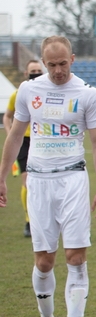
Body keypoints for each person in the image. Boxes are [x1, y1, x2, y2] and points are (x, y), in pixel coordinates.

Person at [0, 36, 96, 317]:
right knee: (44, 260)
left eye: (63, 63)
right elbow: (15, 135)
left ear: (72, 59)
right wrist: (3, 178)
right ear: (43, 64)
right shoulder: (29, 92)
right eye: (52, 65)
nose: (58, 70)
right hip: (38, 181)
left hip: (73, 178)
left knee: (76, 256)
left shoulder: (87, 93)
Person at [4, 59, 44, 237]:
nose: (36, 73)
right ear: (26, 74)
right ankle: (29, 220)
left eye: (38, 70)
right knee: (27, 181)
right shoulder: (19, 93)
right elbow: (7, 116)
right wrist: (10, 132)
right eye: (32, 71)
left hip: (43, 140)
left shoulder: (47, 92)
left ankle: (46, 218)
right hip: (24, 141)